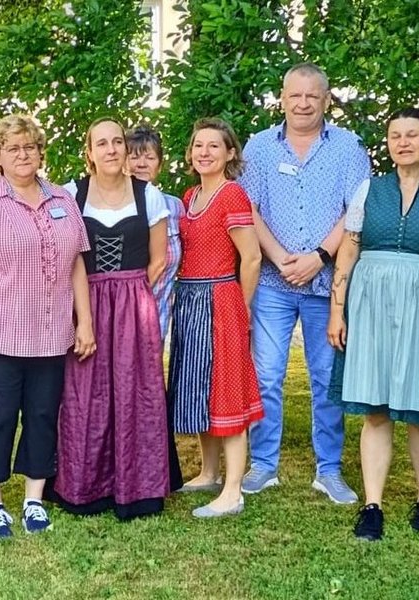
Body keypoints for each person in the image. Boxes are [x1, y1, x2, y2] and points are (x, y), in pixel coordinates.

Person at [327, 108, 419, 541]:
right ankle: (372, 505)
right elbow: (349, 251)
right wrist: (337, 310)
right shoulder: (369, 190)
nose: (403, 142)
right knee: (375, 409)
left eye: (412, 134)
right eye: (395, 135)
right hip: (370, 302)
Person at [0, 115, 94, 539]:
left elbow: (76, 264)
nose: (22, 154)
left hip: (51, 334)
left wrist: (84, 321)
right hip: (0, 333)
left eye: (29, 146)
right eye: (12, 148)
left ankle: (34, 499)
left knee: (43, 415)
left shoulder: (62, 198)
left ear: (40, 152)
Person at [238, 63, 370, 503]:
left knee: (326, 377)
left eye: (312, 95)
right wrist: (279, 258)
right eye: (295, 95)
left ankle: (328, 469)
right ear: (282, 98)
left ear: (326, 99)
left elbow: (356, 211)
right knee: (266, 375)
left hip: (326, 283)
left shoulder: (348, 147)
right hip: (272, 283)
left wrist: (318, 257)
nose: (303, 103)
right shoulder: (259, 147)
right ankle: (263, 464)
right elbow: (247, 209)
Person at [51, 117, 170, 520]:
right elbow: (65, 253)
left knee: (136, 392)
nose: (111, 149)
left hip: (133, 305)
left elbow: (159, 259)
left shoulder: (148, 194)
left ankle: (138, 488)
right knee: (85, 393)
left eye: (117, 141)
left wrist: (131, 295)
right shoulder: (71, 194)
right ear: (89, 152)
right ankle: (84, 486)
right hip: (85, 301)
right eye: (101, 143)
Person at [168, 118, 264, 517]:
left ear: (230, 153)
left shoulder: (232, 195)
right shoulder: (190, 196)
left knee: (226, 390)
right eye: (198, 145)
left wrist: (241, 307)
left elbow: (252, 257)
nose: (204, 152)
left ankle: (233, 490)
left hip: (220, 297)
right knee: (200, 388)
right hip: (189, 298)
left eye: (213, 146)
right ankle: (209, 472)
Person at [125, 123, 184, 493]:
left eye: (148, 156)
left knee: (148, 389)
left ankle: (152, 465)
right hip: (121, 311)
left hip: (158, 313)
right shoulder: (117, 204)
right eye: (134, 156)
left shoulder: (175, 207)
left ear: (160, 163)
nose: (141, 163)